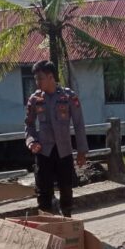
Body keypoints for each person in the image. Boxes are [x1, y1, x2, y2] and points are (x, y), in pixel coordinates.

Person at [24, 60, 88, 217]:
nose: (37, 82)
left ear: (51, 77)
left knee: (66, 189)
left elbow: (79, 124)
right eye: (36, 79)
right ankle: (47, 222)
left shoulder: (68, 97)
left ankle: (67, 220)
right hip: (43, 152)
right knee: (43, 191)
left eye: (40, 78)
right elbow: (29, 125)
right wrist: (31, 141)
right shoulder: (34, 100)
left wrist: (82, 151)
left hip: (64, 151)